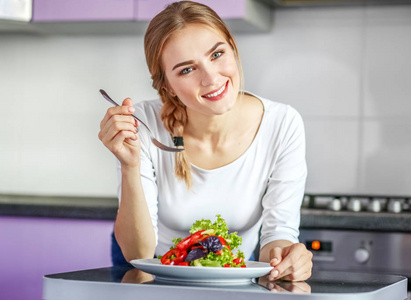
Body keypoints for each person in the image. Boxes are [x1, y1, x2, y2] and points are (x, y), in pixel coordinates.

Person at [98, 1, 312, 282]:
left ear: (233, 49)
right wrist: (129, 165)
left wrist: (285, 261)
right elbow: (139, 253)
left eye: (217, 54)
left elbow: (278, 234)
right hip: (155, 283)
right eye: (187, 70)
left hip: (235, 282)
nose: (211, 78)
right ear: (167, 87)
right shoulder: (144, 124)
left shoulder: (282, 123)